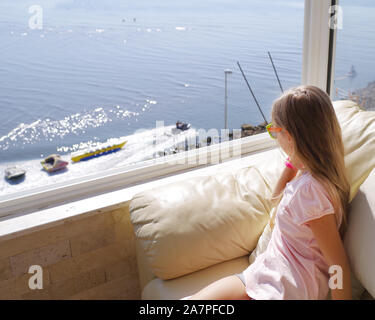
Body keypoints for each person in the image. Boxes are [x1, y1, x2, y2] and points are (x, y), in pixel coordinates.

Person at [188, 85, 352, 300]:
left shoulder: (312, 192)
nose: (275, 139)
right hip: (263, 274)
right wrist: (293, 161)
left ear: (291, 137)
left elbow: (338, 265)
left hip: (284, 290)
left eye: (274, 132)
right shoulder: (307, 177)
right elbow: (276, 199)